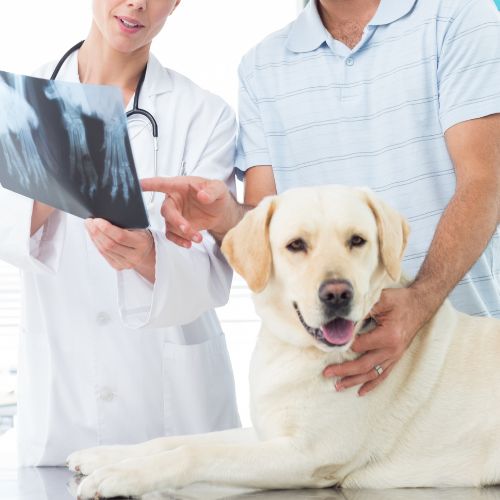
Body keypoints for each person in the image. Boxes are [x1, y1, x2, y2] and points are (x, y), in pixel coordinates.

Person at [142, 0, 500, 396]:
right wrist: (222, 214)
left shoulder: (460, 18)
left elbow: (486, 181)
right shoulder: (262, 67)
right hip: (338, 381)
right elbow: (267, 232)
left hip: (460, 360)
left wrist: (419, 302)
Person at [0, 0, 240, 466]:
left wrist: (149, 255)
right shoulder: (25, 100)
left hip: (176, 419)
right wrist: (60, 170)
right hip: (63, 413)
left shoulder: (205, 115)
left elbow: (215, 272)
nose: (136, 4)